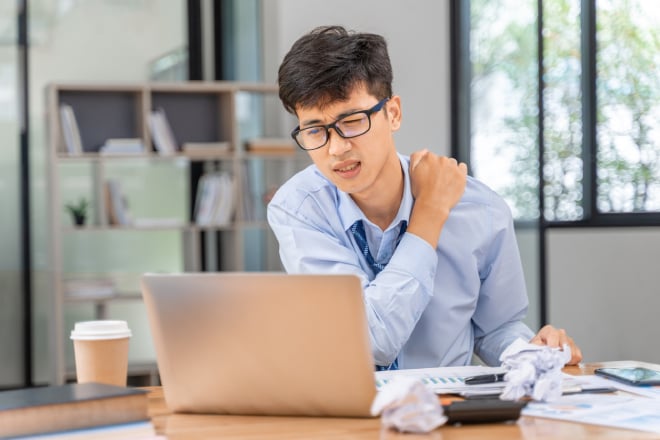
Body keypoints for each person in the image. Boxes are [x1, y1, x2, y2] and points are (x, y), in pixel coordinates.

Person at [267, 25, 582, 369]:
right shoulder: (299, 208)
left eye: (353, 121)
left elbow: (495, 329)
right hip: (350, 412)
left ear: (393, 113)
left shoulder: (481, 209)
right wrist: (429, 214)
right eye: (315, 131)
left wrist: (534, 352)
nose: (337, 148)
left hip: (448, 410)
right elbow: (369, 340)